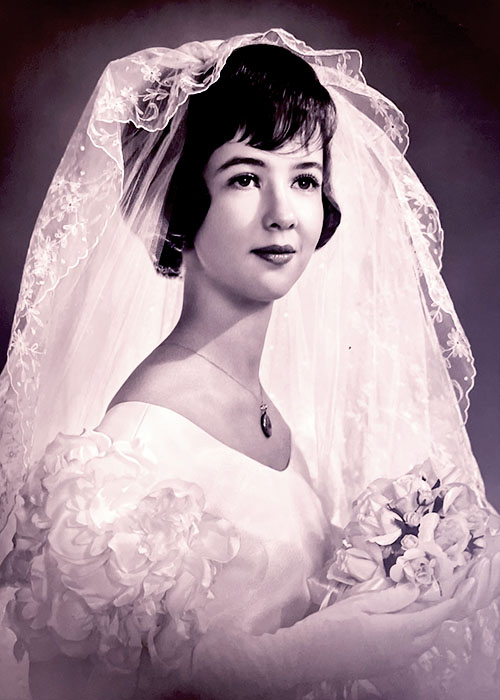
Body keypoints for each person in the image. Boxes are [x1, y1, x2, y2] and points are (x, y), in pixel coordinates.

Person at [1, 29, 499, 700]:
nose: (281, 215)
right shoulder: (133, 446)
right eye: (243, 177)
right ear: (181, 206)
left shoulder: (281, 410)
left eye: (303, 179)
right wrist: (303, 656)